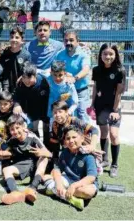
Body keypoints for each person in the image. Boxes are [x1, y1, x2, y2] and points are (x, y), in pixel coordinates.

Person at [0, 115, 52, 205]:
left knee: (44, 159)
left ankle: (32, 188)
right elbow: (9, 152)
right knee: (6, 170)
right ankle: (15, 193)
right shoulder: (12, 140)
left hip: (35, 165)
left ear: (23, 126)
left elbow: (49, 154)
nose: (15, 131)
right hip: (23, 164)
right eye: (12, 129)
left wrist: (41, 152)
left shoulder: (32, 138)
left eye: (17, 128)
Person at [90, 44, 125, 178]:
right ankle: (105, 160)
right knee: (103, 132)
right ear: (101, 55)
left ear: (115, 55)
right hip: (100, 106)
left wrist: (115, 110)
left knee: (114, 134)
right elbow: (95, 87)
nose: (108, 57)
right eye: (105, 54)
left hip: (114, 107)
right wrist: (92, 104)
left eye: (111, 54)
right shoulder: (96, 70)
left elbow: (119, 93)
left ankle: (114, 164)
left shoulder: (120, 70)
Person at [43, 126, 98, 211]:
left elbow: (91, 177)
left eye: (74, 137)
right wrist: (58, 183)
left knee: (89, 192)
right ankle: (72, 199)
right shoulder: (65, 152)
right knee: (45, 177)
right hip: (68, 180)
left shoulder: (88, 155)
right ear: (65, 141)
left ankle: (55, 190)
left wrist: (74, 186)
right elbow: (57, 169)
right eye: (68, 138)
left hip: (82, 184)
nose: (71, 141)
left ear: (82, 138)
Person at [49, 101, 100, 169]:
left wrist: (92, 146)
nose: (57, 115)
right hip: (69, 152)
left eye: (60, 112)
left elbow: (94, 130)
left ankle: (96, 162)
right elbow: (55, 142)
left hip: (84, 150)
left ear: (66, 112)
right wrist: (55, 159)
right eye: (55, 112)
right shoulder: (55, 125)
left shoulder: (74, 121)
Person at [56, 30, 91, 122]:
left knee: (82, 116)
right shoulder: (59, 55)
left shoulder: (84, 55)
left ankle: (87, 136)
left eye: (71, 40)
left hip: (81, 92)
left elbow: (86, 69)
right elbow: (55, 70)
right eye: (66, 40)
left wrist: (74, 78)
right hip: (65, 92)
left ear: (77, 41)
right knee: (66, 117)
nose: (68, 43)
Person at [13, 62, 50, 145]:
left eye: (29, 77)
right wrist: (16, 104)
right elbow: (16, 96)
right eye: (24, 77)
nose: (27, 81)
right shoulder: (20, 83)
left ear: (35, 75)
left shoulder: (43, 82)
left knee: (43, 133)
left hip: (44, 114)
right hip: (30, 113)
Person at [0, 27, 31, 93]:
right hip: (6, 90)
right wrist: (5, 89)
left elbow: (28, 72)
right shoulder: (4, 54)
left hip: (22, 89)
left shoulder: (26, 55)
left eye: (17, 37)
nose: (14, 39)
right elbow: (3, 74)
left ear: (22, 40)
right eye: (12, 37)